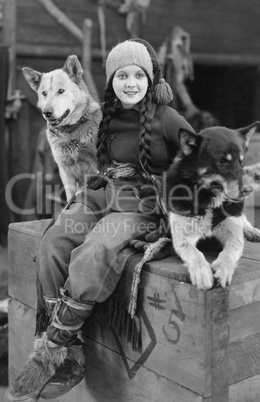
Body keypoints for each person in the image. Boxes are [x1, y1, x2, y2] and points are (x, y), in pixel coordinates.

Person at [6, 38, 194, 402]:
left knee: (94, 250)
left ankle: (52, 349)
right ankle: (74, 352)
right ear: (111, 81)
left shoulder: (168, 118)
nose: (130, 82)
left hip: (140, 203)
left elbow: (199, 152)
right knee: (54, 242)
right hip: (101, 190)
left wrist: (179, 197)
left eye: (138, 74)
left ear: (150, 78)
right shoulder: (105, 114)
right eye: (121, 75)